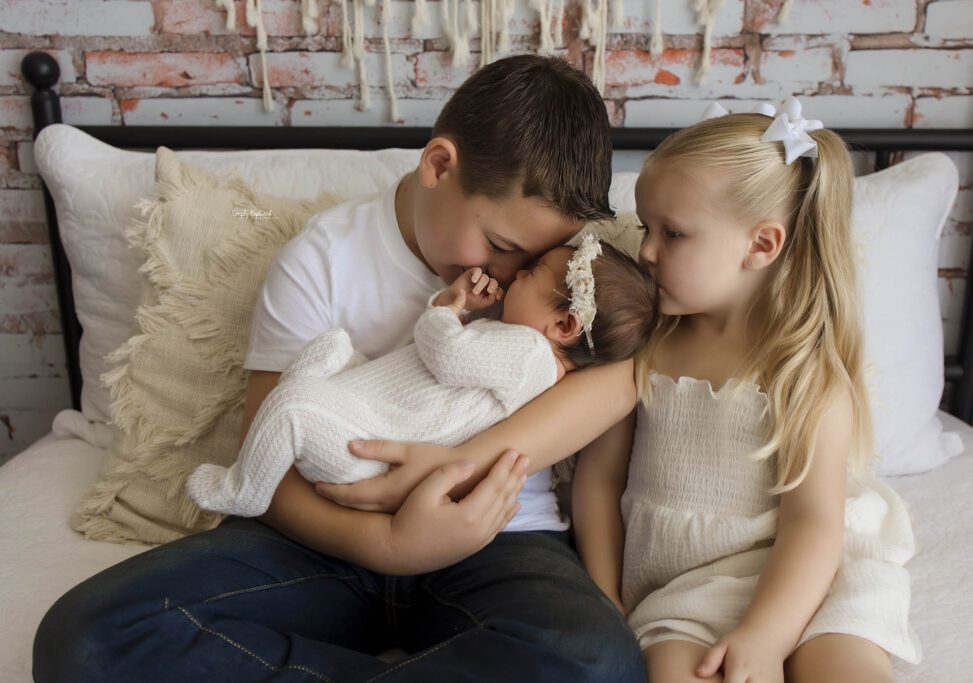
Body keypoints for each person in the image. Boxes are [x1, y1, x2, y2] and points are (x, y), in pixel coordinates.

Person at [33, 55, 647, 682]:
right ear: (438, 165)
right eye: (502, 246)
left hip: (497, 535)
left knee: (600, 661)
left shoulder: (577, 282)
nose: (515, 274)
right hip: (323, 538)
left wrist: (463, 466)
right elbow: (265, 451)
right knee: (87, 637)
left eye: (540, 256)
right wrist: (391, 546)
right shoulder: (322, 259)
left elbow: (624, 378)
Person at [572, 99, 921, 683]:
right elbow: (599, 481)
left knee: (844, 670)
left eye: (673, 233)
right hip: (681, 588)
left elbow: (813, 525)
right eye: (645, 228)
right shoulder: (645, 345)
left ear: (761, 245)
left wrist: (765, 634)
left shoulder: (800, 368)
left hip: (809, 577)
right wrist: (606, 600)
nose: (649, 252)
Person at [186, 238, 657, 520]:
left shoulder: (529, 354)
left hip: (368, 446)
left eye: (532, 273)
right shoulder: (523, 348)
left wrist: (447, 309)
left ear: (566, 326)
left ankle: (244, 491)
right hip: (369, 414)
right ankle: (307, 401)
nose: (516, 277)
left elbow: (447, 355)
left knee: (292, 407)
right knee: (332, 349)